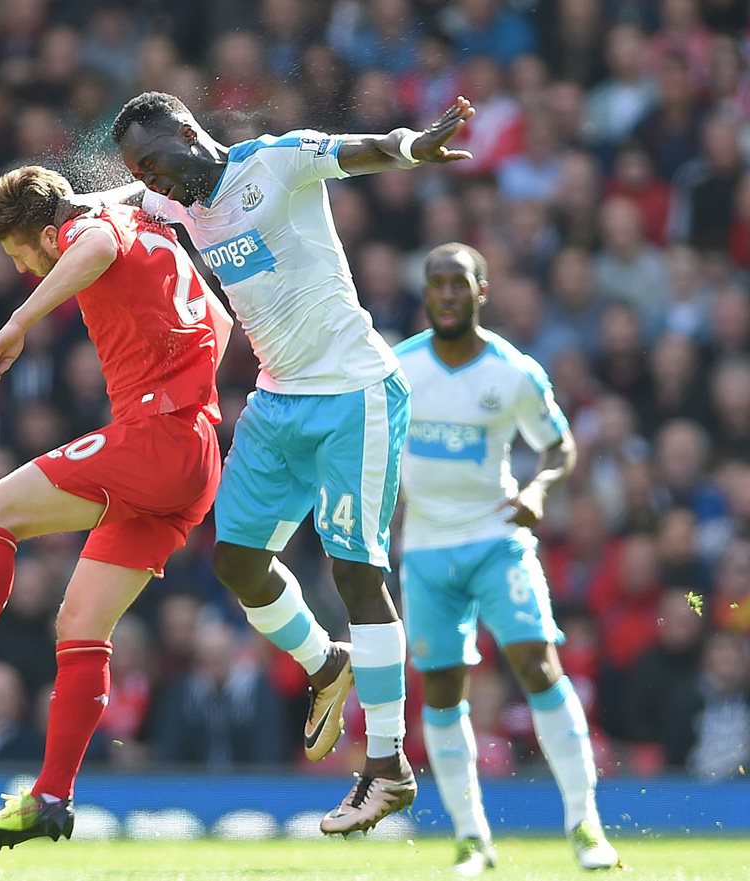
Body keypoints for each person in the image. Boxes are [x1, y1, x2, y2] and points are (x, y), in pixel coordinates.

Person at [97, 91, 475, 833]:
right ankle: (328, 663)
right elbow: (106, 203)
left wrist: (414, 147)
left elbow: (360, 149)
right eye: (141, 172)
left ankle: (388, 767)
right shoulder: (174, 203)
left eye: (155, 162)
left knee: (356, 573)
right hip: (277, 403)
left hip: (354, 394)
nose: (153, 180)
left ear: (187, 132)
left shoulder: (274, 162)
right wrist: (41, 208)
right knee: (237, 562)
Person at [0, 165, 232, 848]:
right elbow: (222, 322)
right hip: (195, 450)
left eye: (18, 253)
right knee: (80, 624)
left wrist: (17, 323)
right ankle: (51, 797)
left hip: (155, 437)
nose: (23, 269)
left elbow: (91, 246)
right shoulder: (142, 223)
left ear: (42, 233)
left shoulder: (90, 231)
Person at [394, 243, 619, 874]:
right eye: (437, 283)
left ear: (481, 292)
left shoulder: (514, 372)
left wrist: (540, 489)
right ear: (426, 293)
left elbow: (560, 446)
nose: (447, 294)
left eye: (459, 283)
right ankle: (471, 837)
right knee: (442, 688)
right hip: (426, 549)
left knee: (537, 664)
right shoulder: (398, 368)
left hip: (496, 538)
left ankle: (585, 823)